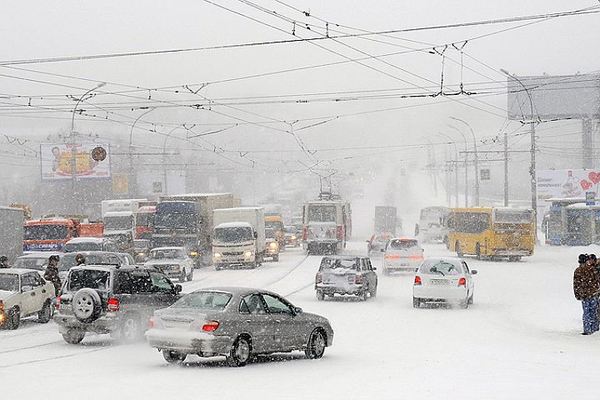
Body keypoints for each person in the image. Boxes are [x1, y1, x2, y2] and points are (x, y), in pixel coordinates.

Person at [573, 253, 600, 335]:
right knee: (594, 311)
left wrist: (578, 294)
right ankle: (594, 328)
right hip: (593, 294)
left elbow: (576, 284)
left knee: (586, 312)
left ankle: (587, 329)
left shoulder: (577, 271)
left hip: (584, 295)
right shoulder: (592, 269)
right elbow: (597, 281)